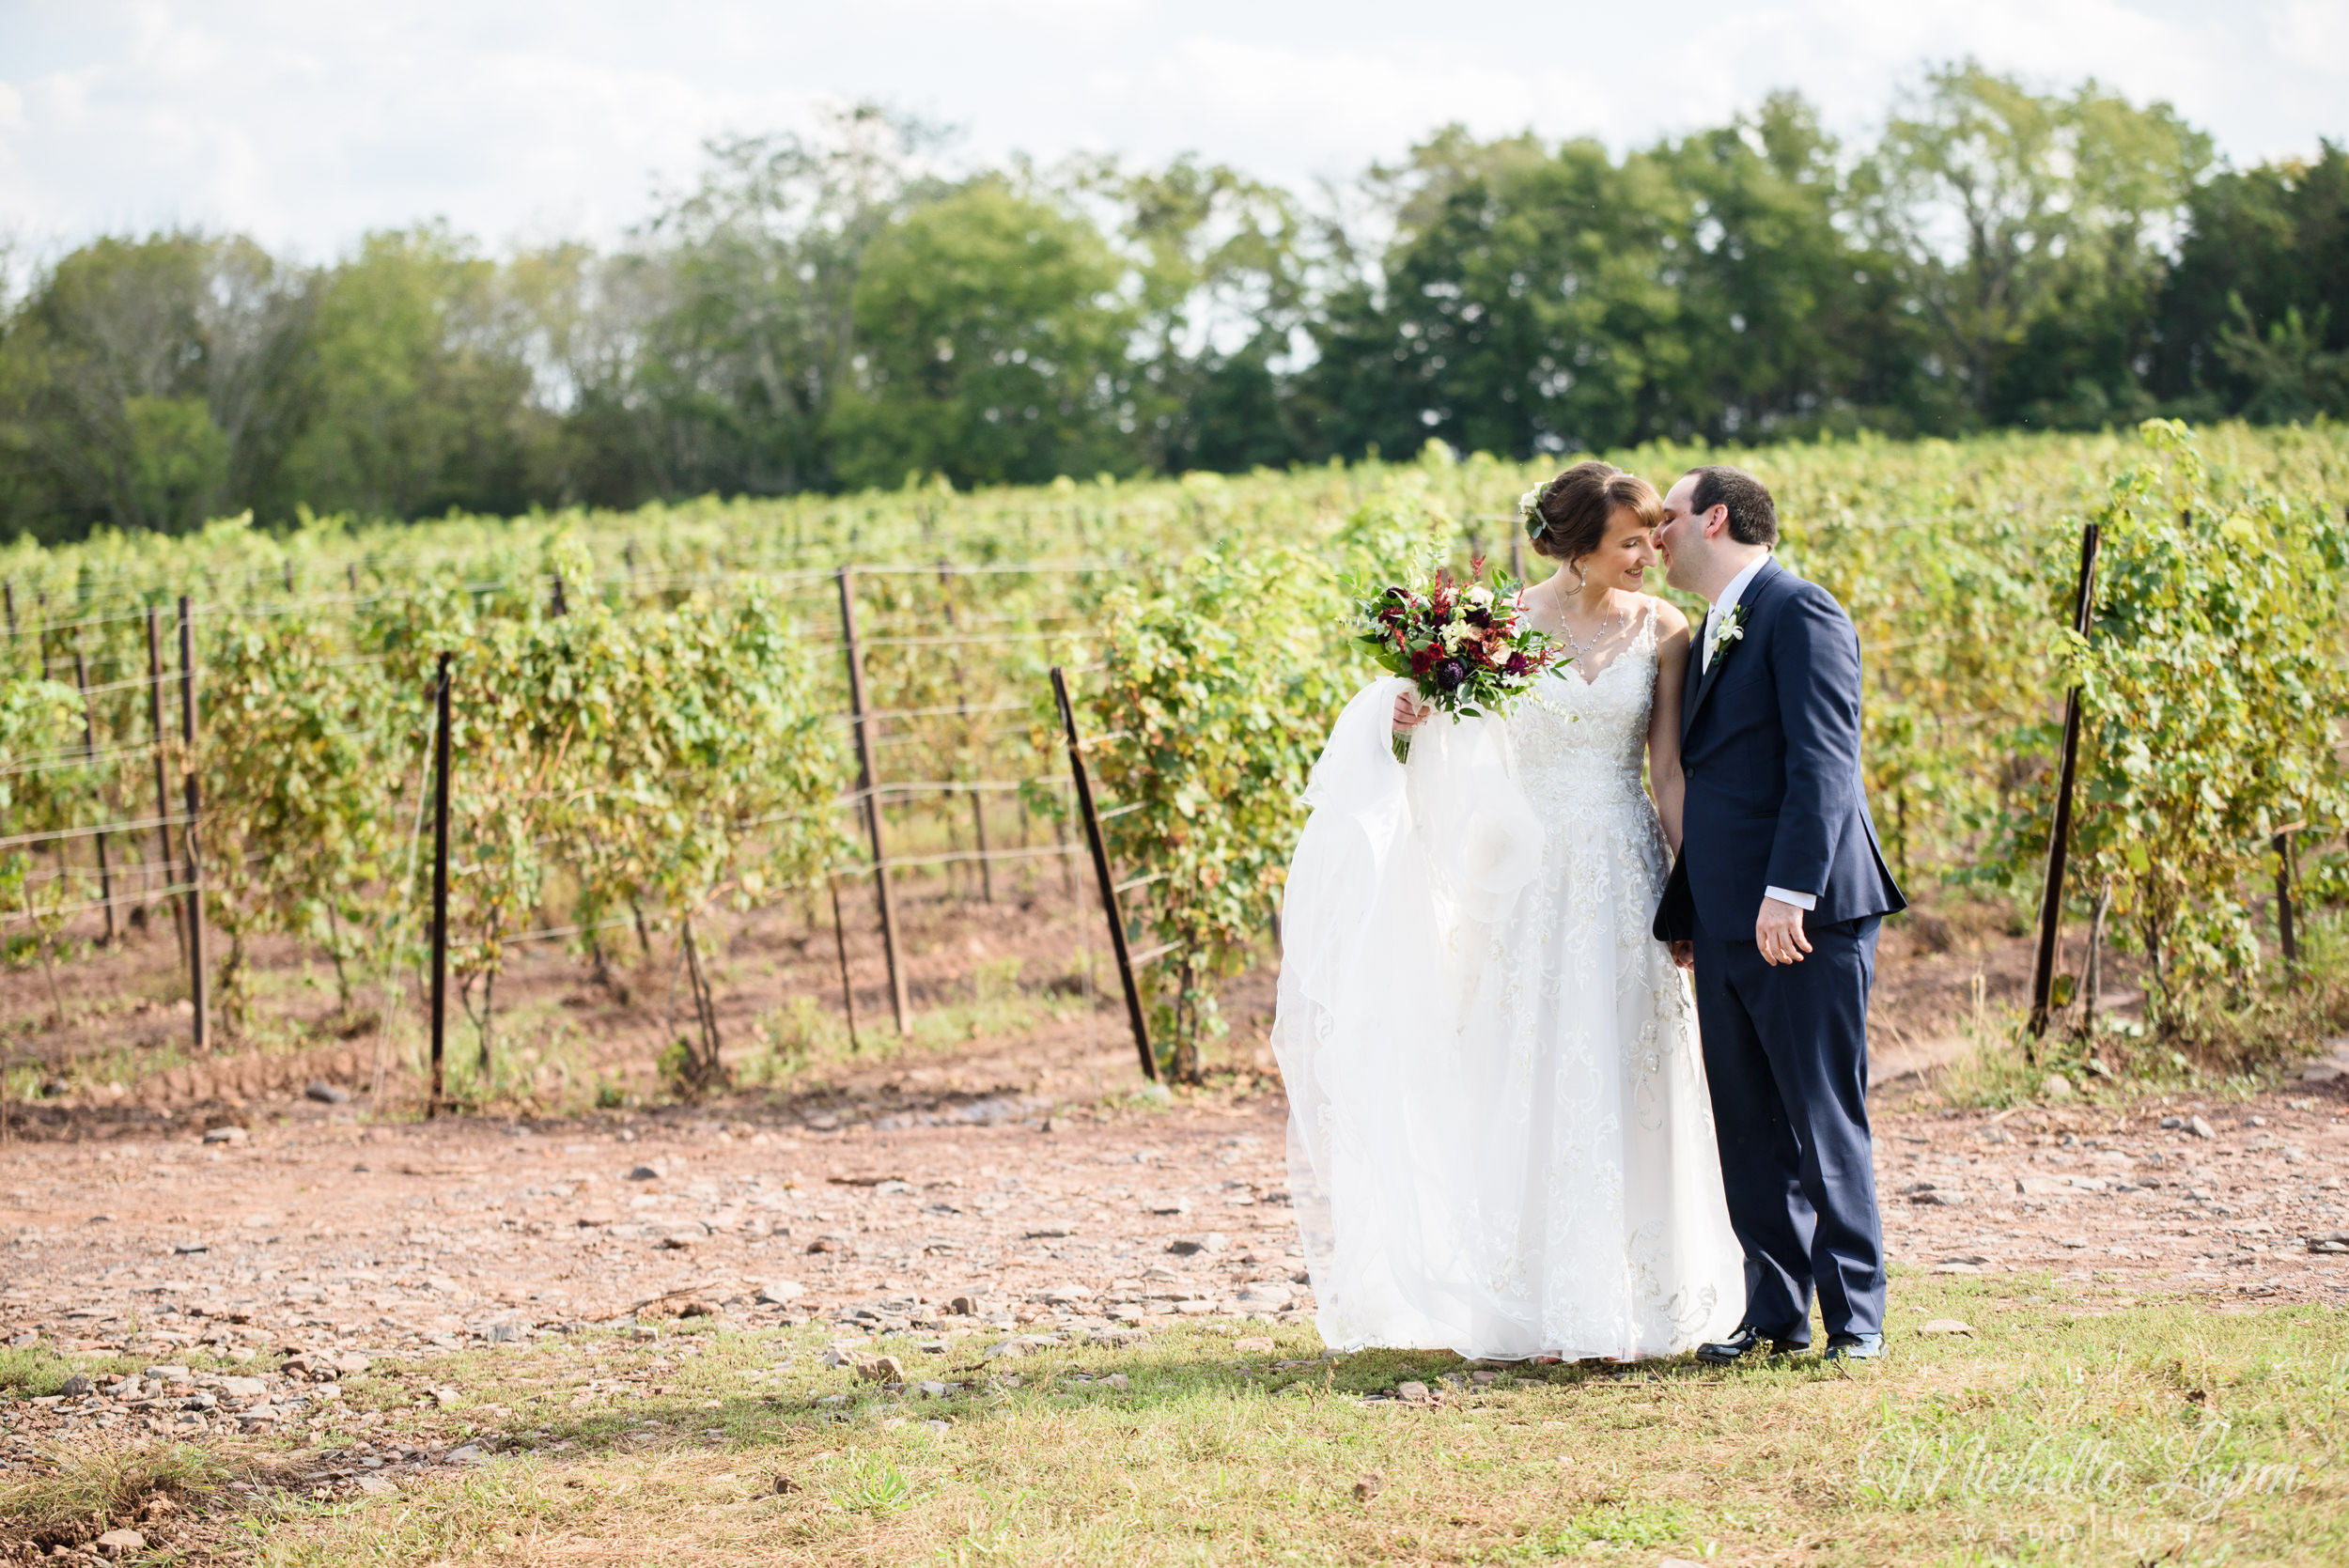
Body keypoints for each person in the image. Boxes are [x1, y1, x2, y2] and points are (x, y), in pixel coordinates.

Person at [1270, 460, 1744, 1361]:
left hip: (1624, 862)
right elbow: (1447, 738)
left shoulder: (1667, 628)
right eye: (1630, 542)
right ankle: (1527, 1298)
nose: (1652, 553)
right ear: (1575, 550)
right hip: (1525, 876)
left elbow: (1668, 772)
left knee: (1634, 1065)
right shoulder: (1494, 630)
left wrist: (1691, 882)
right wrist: (1402, 718)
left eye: (1653, 536)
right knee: (1524, 1063)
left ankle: (1640, 1298)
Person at [1650, 464, 1906, 1363]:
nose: (1656, 533)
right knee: (1748, 1119)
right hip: (1722, 919)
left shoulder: (1802, 611)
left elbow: (1824, 764)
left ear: (1715, 518)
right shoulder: (1711, 623)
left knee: (1819, 1113)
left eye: (1669, 517)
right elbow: (1705, 783)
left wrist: (1787, 894)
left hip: (1804, 913)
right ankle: (1775, 1312)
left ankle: (1857, 1317)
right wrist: (1693, 910)